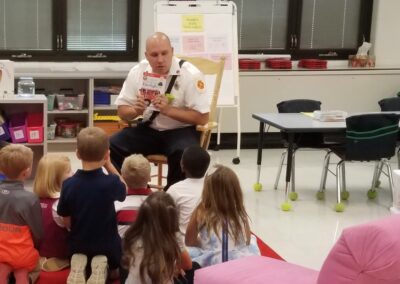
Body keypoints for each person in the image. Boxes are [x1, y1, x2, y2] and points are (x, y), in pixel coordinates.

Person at [110, 31, 210, 190]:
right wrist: (135, 110)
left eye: (164, 53)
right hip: (149, 128)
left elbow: (203, 118)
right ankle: (132, 190)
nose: (160, 60)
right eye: (154, 55)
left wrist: (169, 110)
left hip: (180, 130)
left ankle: (172, 198)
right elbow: (122, 111)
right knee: (113, 144)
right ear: (146, 55)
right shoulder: (138, 71)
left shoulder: (191, 74)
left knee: (184, 153)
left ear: (172, 51)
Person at [57, 127, 127, 284]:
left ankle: (80, 263)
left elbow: (66, 220)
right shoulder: (111, 182)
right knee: (117, 270)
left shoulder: (68, 184)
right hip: (107, 246)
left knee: (77, 246)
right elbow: (124, 190)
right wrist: (109, 165)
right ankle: (105, 267)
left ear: (77, 154)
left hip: (78, 243)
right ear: (107, 154)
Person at [185, 165, 260, 267]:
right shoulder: (240, 212)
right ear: (236, 191)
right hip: (237, 264)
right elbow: (246, 241)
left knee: (185, 251)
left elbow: (189, 241)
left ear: (207, 190)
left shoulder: (201, 211)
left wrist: (203, 243)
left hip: (211, 263)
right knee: (252, 240)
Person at [122, 191, 193, 284]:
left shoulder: (132, 235)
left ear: (141, 214)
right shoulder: (173, 237)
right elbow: (187, 265)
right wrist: (174, 268)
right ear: (172, 218)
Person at [0, 144, 43, 284]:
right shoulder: (30, 199)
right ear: (26, 171)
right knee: (23, 271)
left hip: (0, 252)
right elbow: (38, 233)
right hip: (22, 254)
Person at [32, 154, 72, 272]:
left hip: (40, 252)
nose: (73, 173)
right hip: (60, 255)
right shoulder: (60, 203)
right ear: (56, 177)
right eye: (69, 171)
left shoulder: (34, 199)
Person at [168, 145, 210, 240]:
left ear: (182, 166)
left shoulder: (175, 189)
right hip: (209, 241)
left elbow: (166, 219)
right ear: (206, 168)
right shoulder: (213, 187)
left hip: (185, 242)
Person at [115, 154, 153, 237]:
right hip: (151, 249)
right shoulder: (160, 204)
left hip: (122, 248)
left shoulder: (115, 205)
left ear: (122, 177)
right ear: (149, 178)